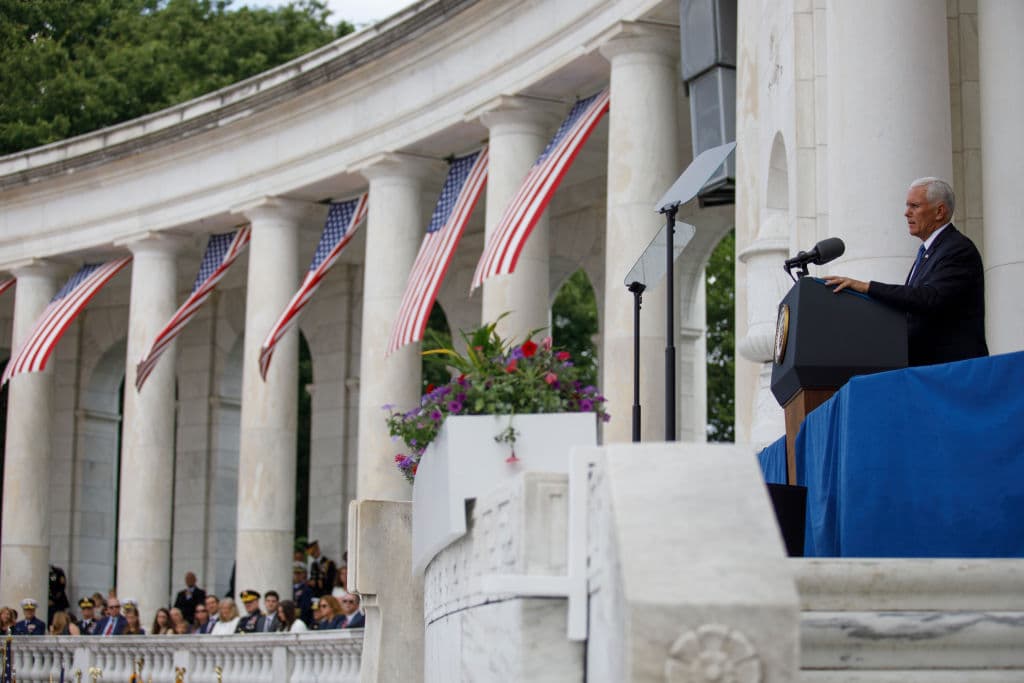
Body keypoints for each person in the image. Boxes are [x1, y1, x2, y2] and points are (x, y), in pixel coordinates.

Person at [824, 177, 987, 367]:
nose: (906, 213)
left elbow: (928, 298)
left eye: (914, 206)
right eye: (907, 206)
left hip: (953, 371)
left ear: (939, 211)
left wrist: (867, 288)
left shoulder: (957, 249)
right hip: (926, 371)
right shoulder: (929, 252)